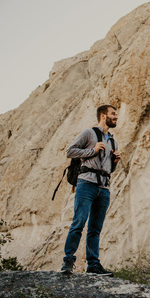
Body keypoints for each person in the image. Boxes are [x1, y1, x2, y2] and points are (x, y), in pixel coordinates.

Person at [60, 105, 121, 276]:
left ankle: (93, 265)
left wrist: (114, 161)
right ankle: (68, 262)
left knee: (95, 229)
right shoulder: (89, 133)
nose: (116, 117)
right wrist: (92, 150)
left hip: (104, 188)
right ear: (103, 115)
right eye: (113, 114)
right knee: (79, 223)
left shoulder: (113, 141)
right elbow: (70, 151)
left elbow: (109, 169)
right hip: (86, 184)